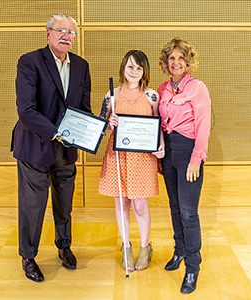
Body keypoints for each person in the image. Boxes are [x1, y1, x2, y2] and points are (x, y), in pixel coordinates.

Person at [11, 14, 91, 282]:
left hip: (67, 150)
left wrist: (91, 129)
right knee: (33, 205)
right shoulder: (30, 62)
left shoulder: (81, 66)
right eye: (61, 30)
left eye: (71, 32)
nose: (66, 36)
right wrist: (56, 133)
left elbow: (84, 110)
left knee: (64, 204)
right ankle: (28, 256)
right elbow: (26, 111)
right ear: (48, 33)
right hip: (36, 145)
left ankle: (64, 246)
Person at [98, 50, 165, 272]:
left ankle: (145, 247)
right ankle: (126, 247)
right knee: (121, 203)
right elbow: (101, 127)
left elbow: (158, 125)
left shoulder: (152, 96)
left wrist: (161, 144)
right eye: (130, 67)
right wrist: (109, 124)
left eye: (139, 67)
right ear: (123, 68)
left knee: (140, 205)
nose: (134, 71)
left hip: (143, 158)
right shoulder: (111, 96)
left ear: (144, 71)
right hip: (118, 156)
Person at [158, 37, 211, 294]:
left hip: (188, 151)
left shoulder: (198, 88)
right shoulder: (163, 89)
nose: (176, 62)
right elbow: (158, 123)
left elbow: (203, 126)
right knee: (174, 207)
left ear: (188, 62)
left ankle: (193, 267)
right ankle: (179, 251)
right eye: (172, 58)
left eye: (181, 58)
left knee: (189, 213)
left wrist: (196, 159)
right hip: (167, 153)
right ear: (166, 63)